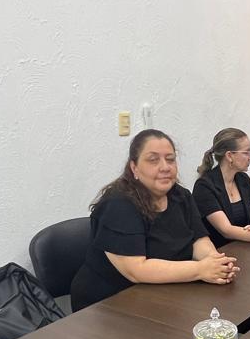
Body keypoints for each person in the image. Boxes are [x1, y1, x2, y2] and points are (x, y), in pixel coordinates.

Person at [70, 129, 239, 311]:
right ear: (134, 168)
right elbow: (136, 270)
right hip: (108, 303)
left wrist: (215, 263)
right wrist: (200, 269)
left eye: (170, 159)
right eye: (153, 160)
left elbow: (198, 239)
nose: (165, 167)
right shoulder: (117, 204)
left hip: (162, 293)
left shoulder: (181, 195)